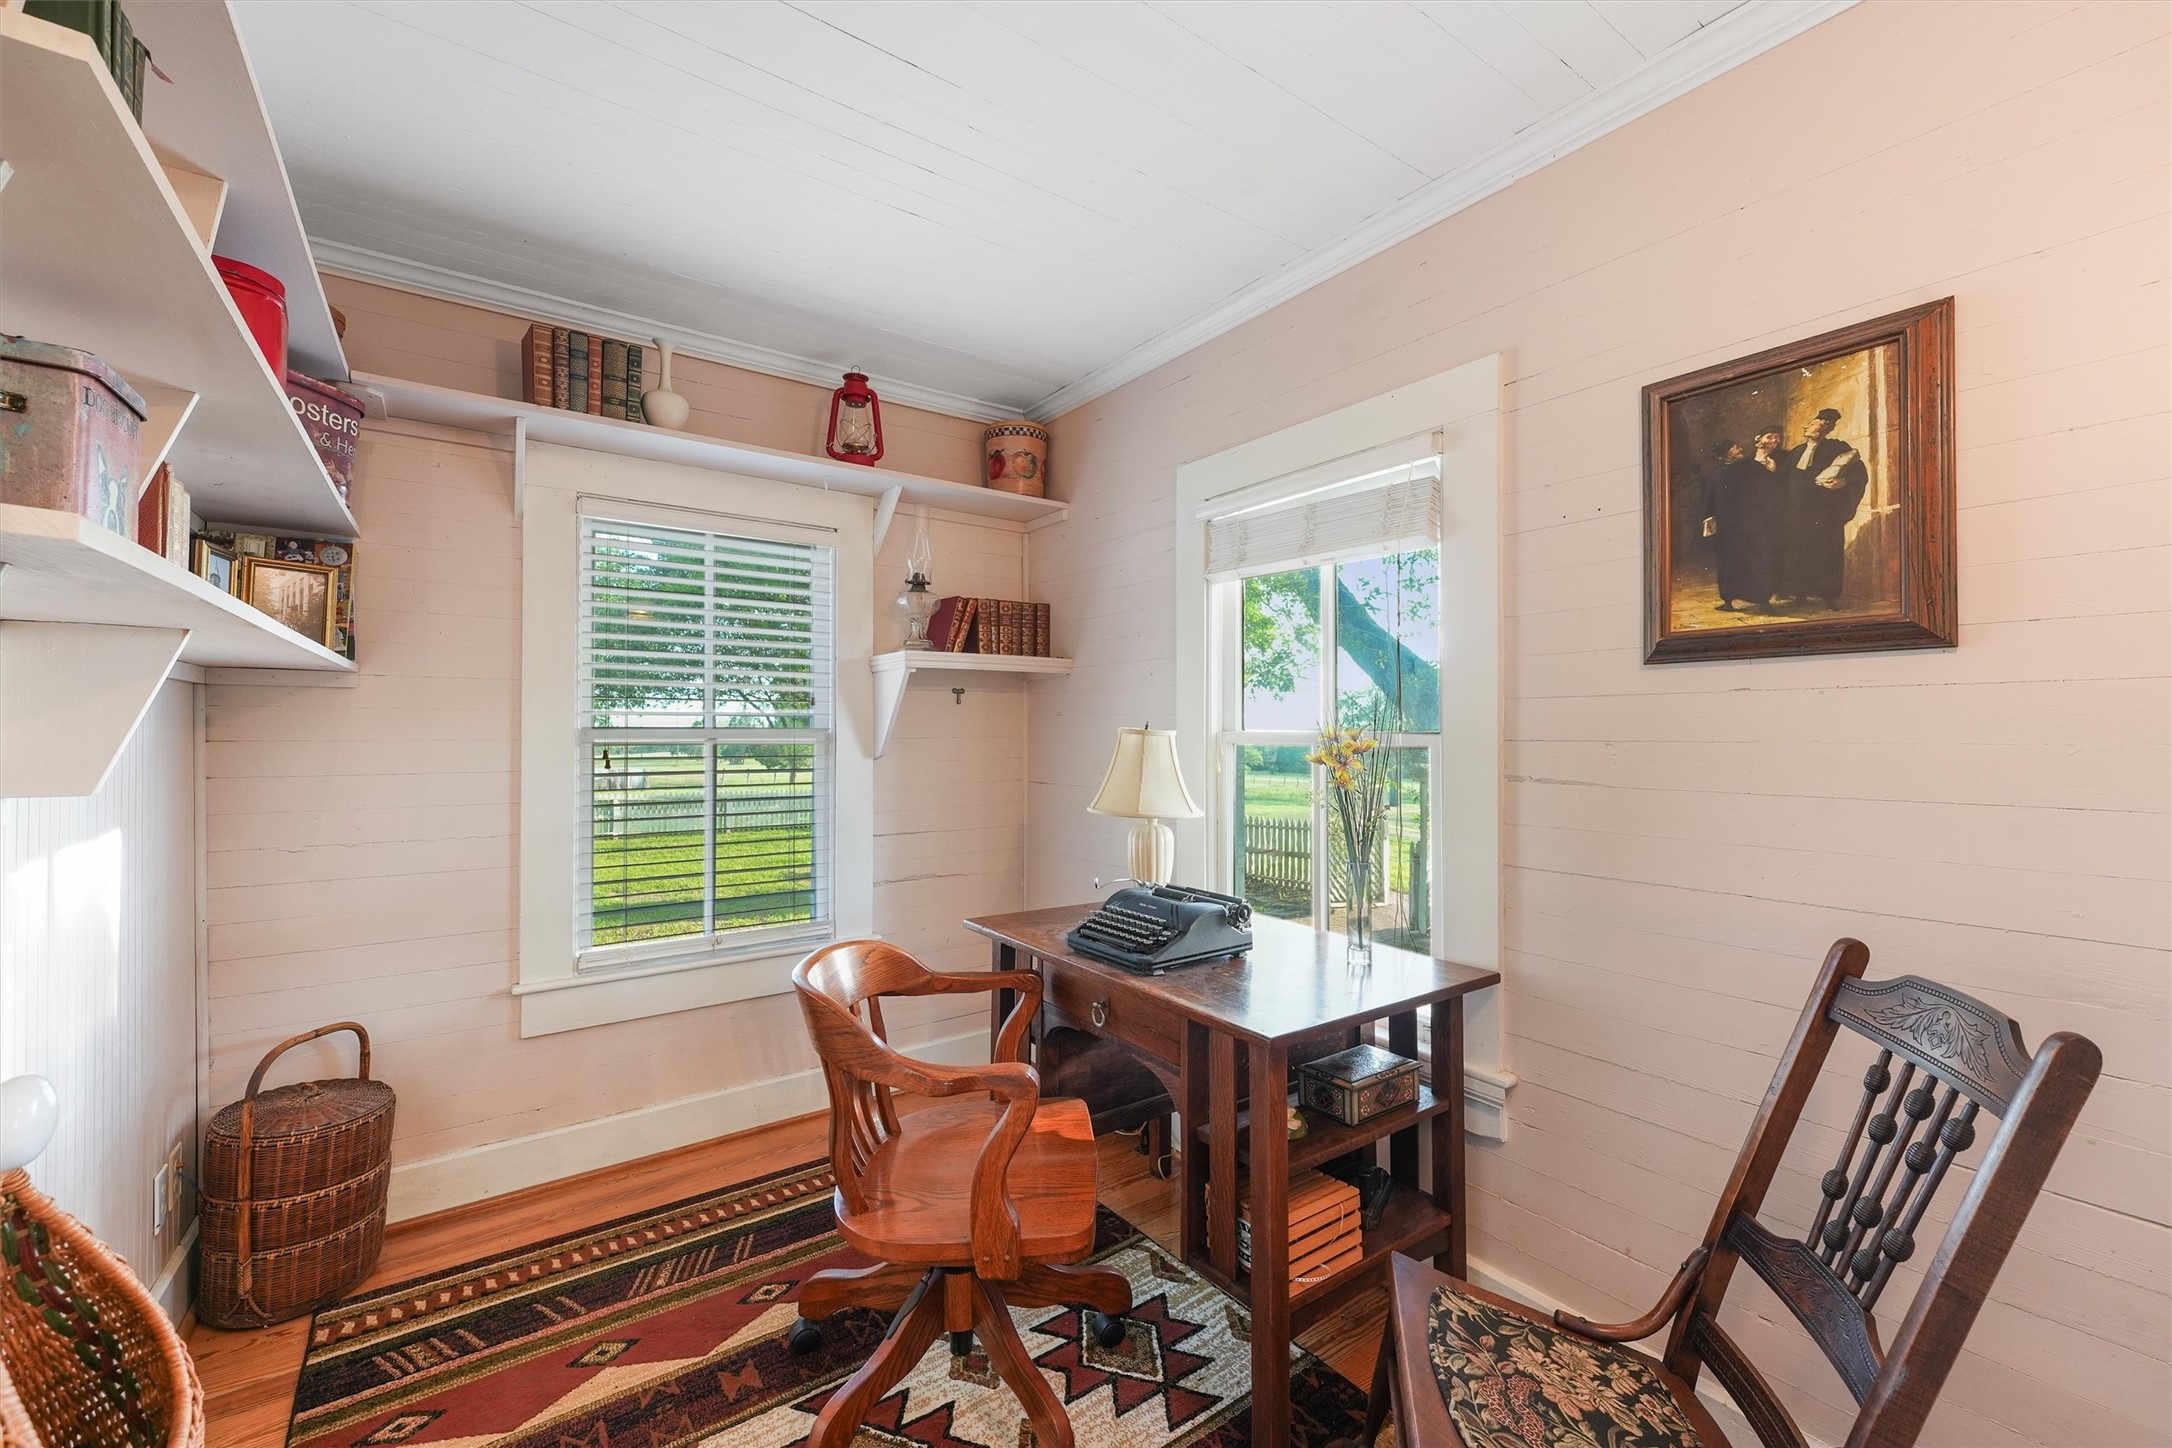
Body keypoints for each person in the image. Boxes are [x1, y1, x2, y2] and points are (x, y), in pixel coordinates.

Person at [1778, 407, 1870, 607]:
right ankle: (1800, 594)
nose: (1806, 427)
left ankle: (1829, 596)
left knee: (1826, 553)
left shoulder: (1837, 449)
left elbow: (1859, 475)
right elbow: (1781, 481)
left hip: (1825, 513)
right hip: (1796, 514)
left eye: (1812, 424)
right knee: (1799, 552)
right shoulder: (1796, 452)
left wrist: (1843, 483)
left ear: (1824, 428)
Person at [1700, 429, 1786, 611]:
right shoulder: (1716, 475)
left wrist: (1772, 472)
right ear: (1727, 453)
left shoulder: (1753, 468)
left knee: (1758, 561)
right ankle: (1728, 600)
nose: (1739, 449)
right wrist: (1709, 522)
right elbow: (1708, 502)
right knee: (1728, 563)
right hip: (1727, 529)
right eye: (1735, 447)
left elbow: (1770, 490)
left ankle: (1763, 600)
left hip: (1754, 526)